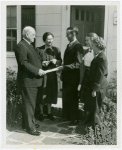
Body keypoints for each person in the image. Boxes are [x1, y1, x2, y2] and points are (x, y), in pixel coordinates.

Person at [14, 26, 45, 136]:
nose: (35, 36)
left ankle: (28, 123)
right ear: (27, 35)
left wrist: (41, 64)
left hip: (33, 81)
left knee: (30, 104)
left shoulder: (27, 45)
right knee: (29, 105)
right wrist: (37, 71)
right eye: (33, 35)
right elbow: (23, 63)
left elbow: (32, 60)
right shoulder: (21, 46)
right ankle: (30, 128)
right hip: (28, 81)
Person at [58, 27, 84, 126]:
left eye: (68, 34)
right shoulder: (69, 45)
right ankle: (66, 116)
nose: (66, 36)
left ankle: (74, 119)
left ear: (73, 34)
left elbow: (77, 64)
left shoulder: (78, 47)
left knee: (73, 98)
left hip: (73, 78)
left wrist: (63, 68)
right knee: (66, 97)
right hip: (66, 76)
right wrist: (62, 73)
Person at [36, 32, 62, 121]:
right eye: (48, 39)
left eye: (51, 39)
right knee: (42, 93)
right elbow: (35, 62)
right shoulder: (39, 50)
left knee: (50, 93)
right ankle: (41, 113)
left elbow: (60, 62)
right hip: (43, 76)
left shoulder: (56, 50)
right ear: (44, 40)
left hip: (52, 76)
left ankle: (49, 113)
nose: (50, 41)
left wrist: (56, 61)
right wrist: (41, 63)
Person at [83, 35, 108, 126]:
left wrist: (95, 89)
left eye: (93, 46)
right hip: (95, 85)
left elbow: (100, 75)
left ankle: (96, 128)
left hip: (99, 86)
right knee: (92, 105)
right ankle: (91, 123)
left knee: (97, 107)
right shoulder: (98, 56)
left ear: (97, 46)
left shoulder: (102, 58)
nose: (91, 47)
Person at [80, 33, 98, 104]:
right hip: (86, 74)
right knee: (84, 98)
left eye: (87, 40)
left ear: (92, 41)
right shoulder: (86, 50)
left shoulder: (96, 52)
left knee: (90, 98)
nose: (85, 42)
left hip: (93, 75)